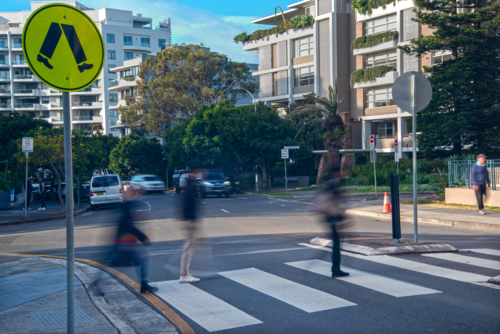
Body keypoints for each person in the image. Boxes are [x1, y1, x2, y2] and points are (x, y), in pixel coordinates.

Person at [109, 188, 158, 294]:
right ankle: (144, 284)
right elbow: (128, 226)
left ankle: (144, 285)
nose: (134, 196)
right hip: (123, 245)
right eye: (132, 194)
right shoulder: (126, 206)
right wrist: (143, 237)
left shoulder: (127, 205)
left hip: (125, 243)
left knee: (143, 258)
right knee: (143, 258)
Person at [318, 166, 349, 278]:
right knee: (336, 244)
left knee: (336, 243)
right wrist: (342, 219)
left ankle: (336, 268)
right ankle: (335, 269)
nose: (340, 175)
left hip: (330, 217)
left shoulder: (329, 184)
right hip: (333, 218)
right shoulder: (333, 185)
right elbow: (335, 204)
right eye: (339, 173)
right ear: (335, 174)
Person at [179, 165, 201, 283]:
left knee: (190, 245)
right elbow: (189, 205)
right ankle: (183, 274)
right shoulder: (190, 185)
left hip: (189, 220)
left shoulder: (190, 184)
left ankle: (184, 273)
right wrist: (191, 220)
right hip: (190, 220)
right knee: (188, 246)